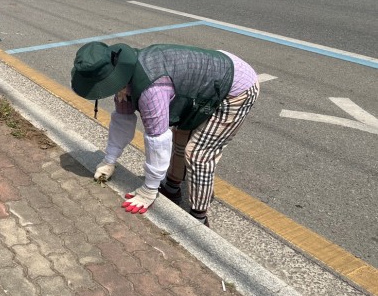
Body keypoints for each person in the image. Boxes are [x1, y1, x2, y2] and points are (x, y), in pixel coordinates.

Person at [71, 42, 259, 226]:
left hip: (236, 86)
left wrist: (149, 189)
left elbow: (158, 141)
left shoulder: (151, 89)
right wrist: (109, 160)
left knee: (198, 154)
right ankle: (172, 188)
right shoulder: (122, 77)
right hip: (204, 78)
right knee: (181, 137)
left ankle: (199, 217)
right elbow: (122, 122)